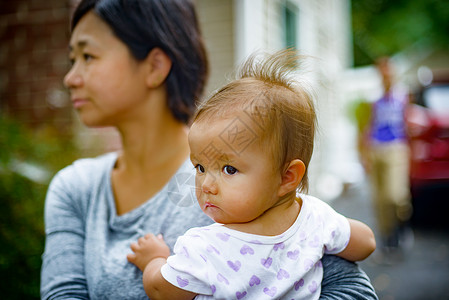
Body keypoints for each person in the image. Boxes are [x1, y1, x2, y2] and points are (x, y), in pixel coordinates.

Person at [40, 0, 378, 299]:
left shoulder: (250, 186)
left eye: (87, 56)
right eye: (199, 167)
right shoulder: (76, 188)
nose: (70, 77)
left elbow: (355, 291)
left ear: (155, 66)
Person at [127, 50, 376, 299]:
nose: (206, 185)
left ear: (288, 177)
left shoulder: (205, 248)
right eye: (200, 167)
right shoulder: (316, 218)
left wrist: (155, 258)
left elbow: (160, 290)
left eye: (229, 169)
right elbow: (366, 242)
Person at [367, 57, 413, 254]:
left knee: (396, 196)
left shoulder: (403, 96)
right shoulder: (373, 98)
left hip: (396, 148)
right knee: (380, 199)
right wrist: (364, 152)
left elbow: (409, 123)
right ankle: (388, 238)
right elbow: (367, 126)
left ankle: (402, 226)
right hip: (376, 148)